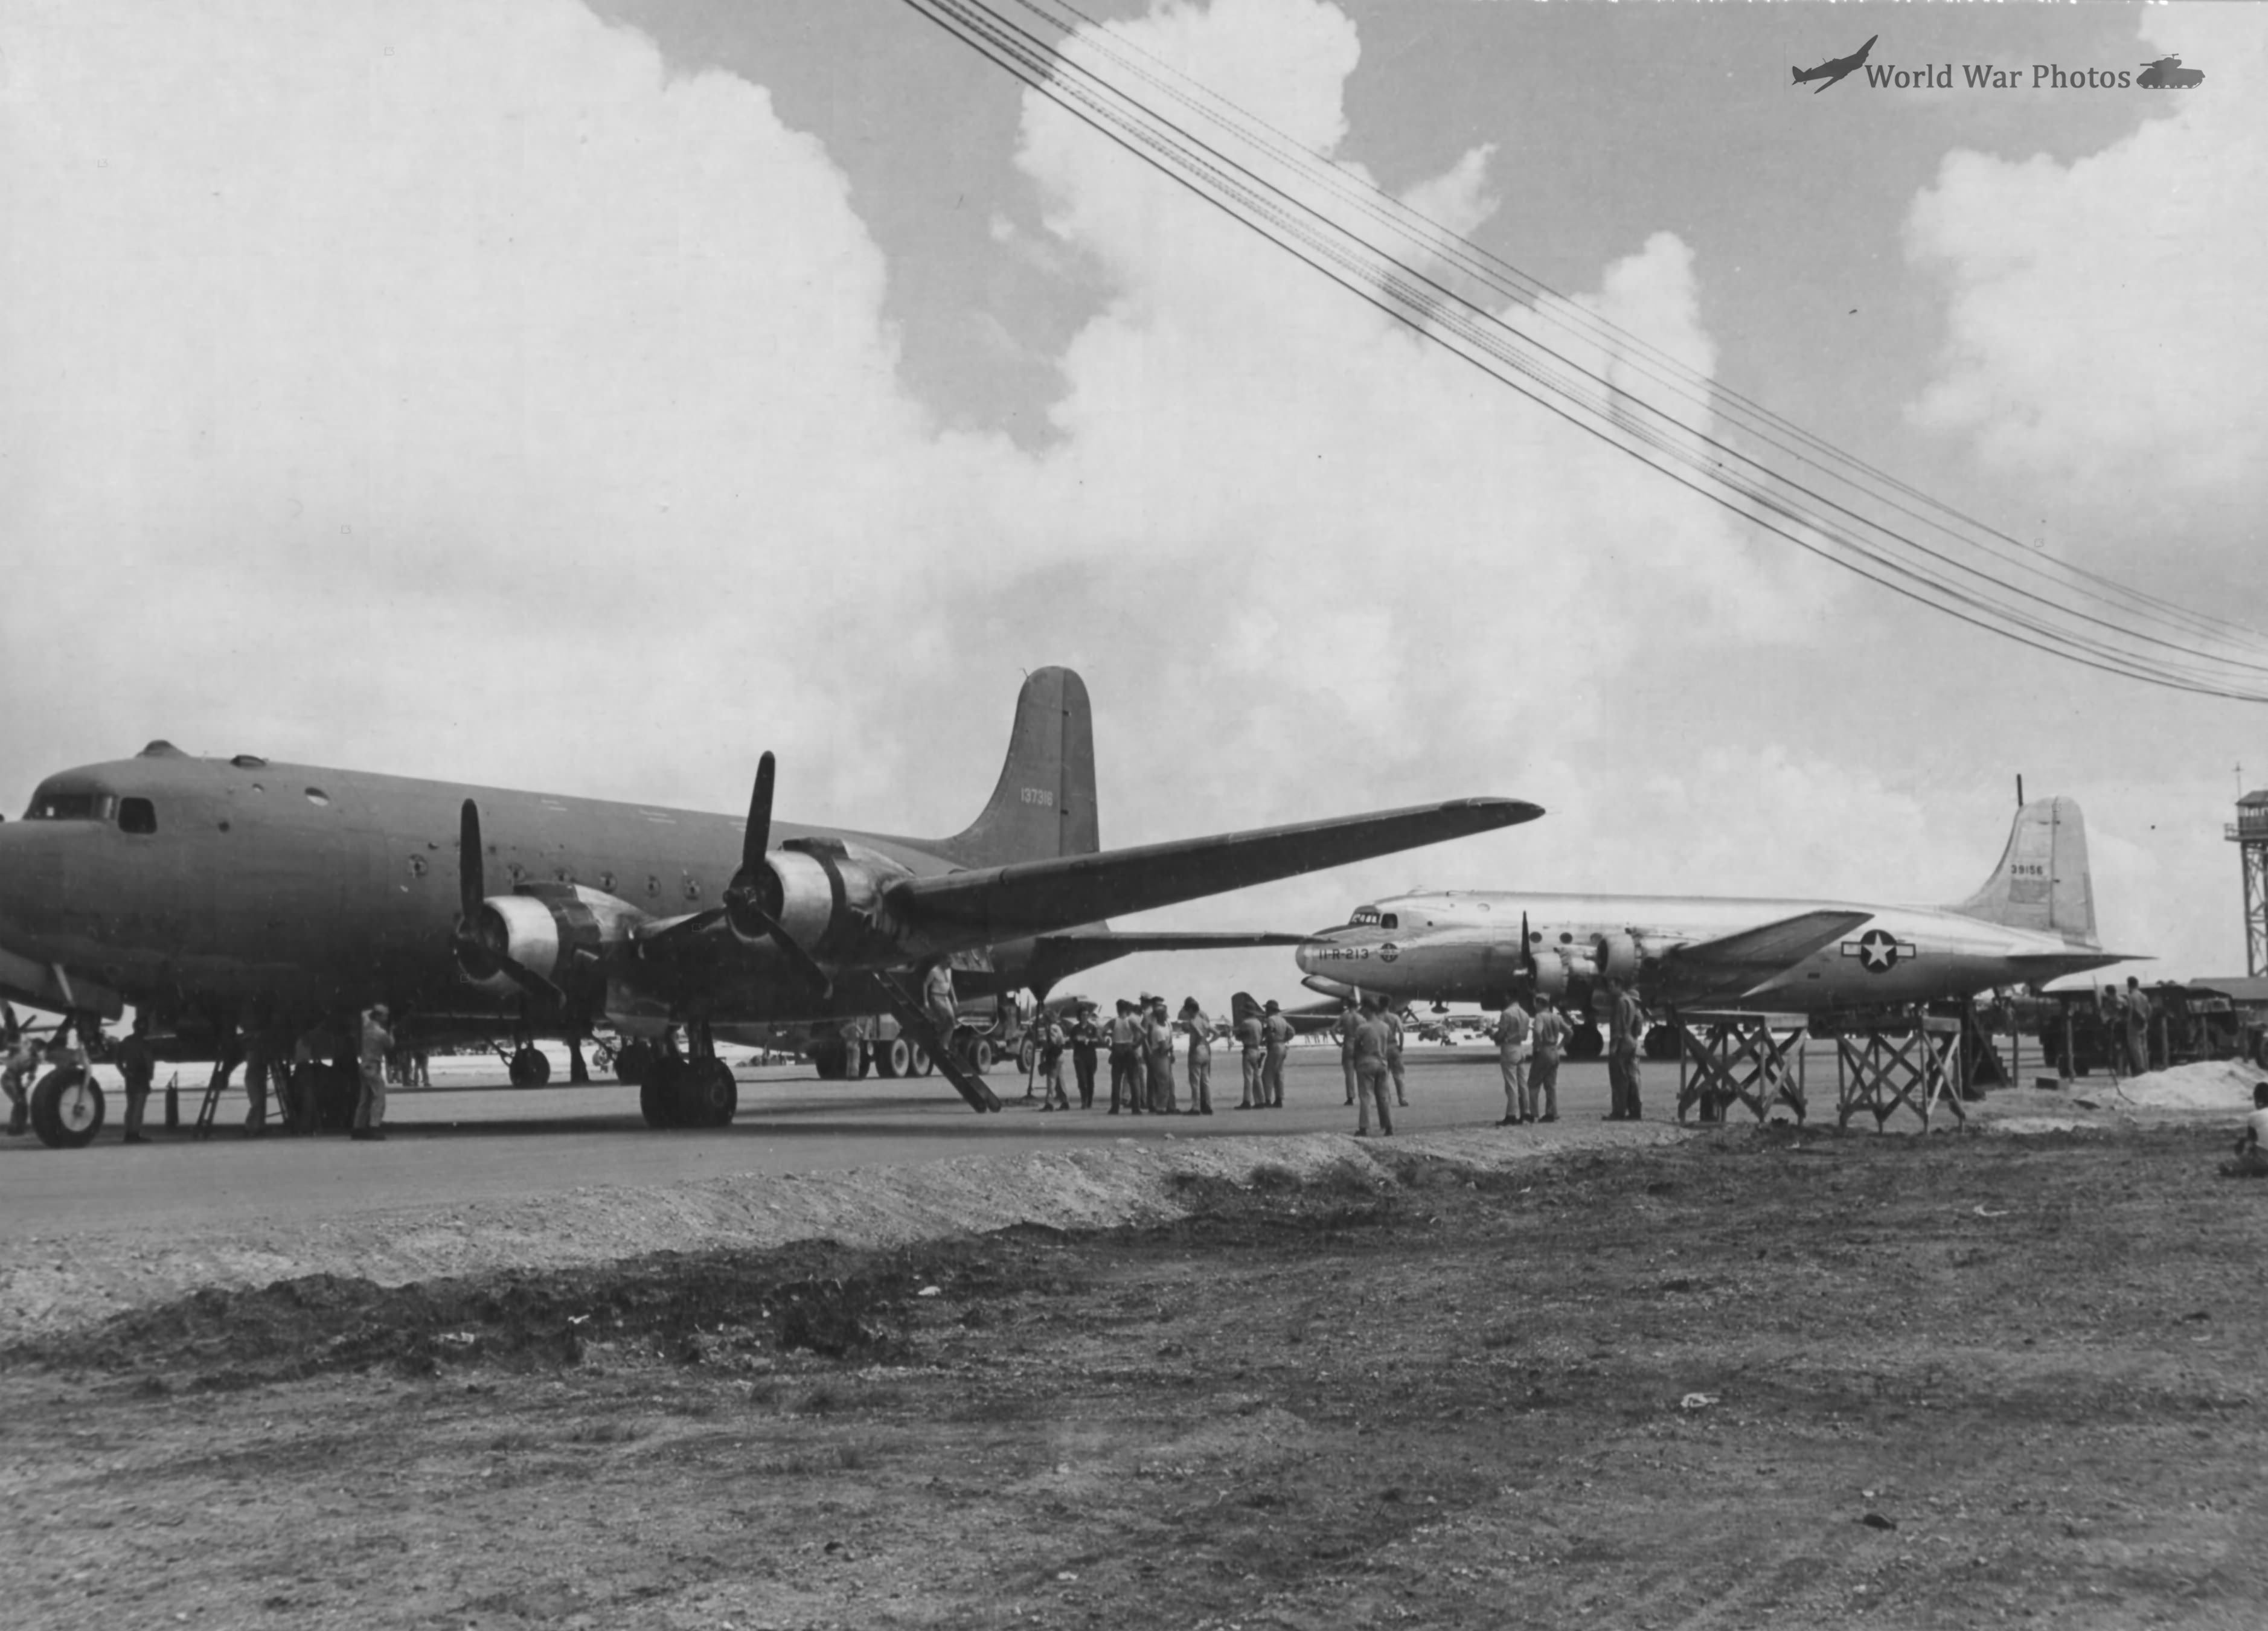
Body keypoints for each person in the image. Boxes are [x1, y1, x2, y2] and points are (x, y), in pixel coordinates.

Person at [1350, 997, 1393, 1136]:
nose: (1362, 1011)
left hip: (1366, 1063)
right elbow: (1388, 1045)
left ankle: (1364, 1128)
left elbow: (1356, 1048)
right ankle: (1388, 1127)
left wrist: (1356, 1063)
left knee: (1366, 1096)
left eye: (1363, 1008)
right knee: (1384, 1096)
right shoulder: (1385, 1027)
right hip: (1382, 1063)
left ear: (1368, 1010)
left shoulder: (1362, 1028)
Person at [1605, 981, 1645, 1121]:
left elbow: (1619, 1026)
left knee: (1619, 1079)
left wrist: (1614, 1046)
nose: (1610, 989)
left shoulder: (1621, 1002)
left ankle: (1619, 1112)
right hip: (1631, 1042)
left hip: (1622, 1044)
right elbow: (1637, 1028)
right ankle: (1635, 1111)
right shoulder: (1632, 1004)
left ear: (1619, 986)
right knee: (1631, 1078)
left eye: (1612, 986)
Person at [352, 1002, 392, 1141]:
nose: (386, 1018)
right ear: (379, 1017)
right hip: (373, 1066)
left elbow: (365, 1013)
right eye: (385, 1016)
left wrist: (375, 1010)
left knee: (364, 1099)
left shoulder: (366, 1025)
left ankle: (357, 1129)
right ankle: (374, 1127)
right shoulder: (380, 1033)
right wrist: (392, 1031)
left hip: (364, 1065)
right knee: (379, 1097)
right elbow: (390, 1044)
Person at [116, 1014, 158, 1143]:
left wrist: (124, 1072)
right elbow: (149, 1061)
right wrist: (150, 1075)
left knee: (130, 1106)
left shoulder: (127, 1041)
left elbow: (118, 1059)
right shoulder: (144, 1044)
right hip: (141, 1077)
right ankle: (134, 1134)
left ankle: (129, 1133)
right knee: (138, 1107)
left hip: (130, 1076)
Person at [1530, 995, 1569, 1123]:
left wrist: (1537, 1047)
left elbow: (1537, 1031)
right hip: (1554, 1051)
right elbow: (1569, 1032)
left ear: (1539, 1003)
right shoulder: (1556, 1017)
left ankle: (1533, 1114)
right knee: (1551, 1085)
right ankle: (1552, 1113)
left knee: (1533, 1084)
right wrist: (1560, 1046)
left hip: (1544, 1051)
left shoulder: (1540, 1017)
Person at [1494, 999, 1533, 1124]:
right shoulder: (1525, 1014)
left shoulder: (1507, 1013)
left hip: (1509, 1049)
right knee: (1523, 1084)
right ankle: (1526, 1112)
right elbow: (1525, 1036)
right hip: (1520, 1048)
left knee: (1511, 1085)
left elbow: (1501, 1034)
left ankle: (1511, 1114)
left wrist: (1494, 1036)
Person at [4, 1030, 46, 1137]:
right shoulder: (24, 1053)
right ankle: (14, 1127)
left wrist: (25, 1087)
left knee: (21, 1104)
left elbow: (31, 1077)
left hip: (15, 1080)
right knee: (19, 1102)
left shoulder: (33, 1061)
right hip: (9, 1078)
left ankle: (18, 1127)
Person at [1107, 999, 1143, 1114]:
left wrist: (1107, 1045)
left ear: (1118, 1009)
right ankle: (1136, 1108)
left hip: (1117, 1049)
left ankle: (1115, 1107)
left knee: (1116, 1080)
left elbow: (1100, 1032)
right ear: (1127, 1009)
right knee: (1134, 1080)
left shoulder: (1113, 1021)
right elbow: (1144, 1033)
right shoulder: (1131, 1021)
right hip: (1129, 1048)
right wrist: (1136, 1045)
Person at [2225, 1081, 2268, 1177]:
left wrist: (2240, 1147)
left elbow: (2251, 1140)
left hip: (2264, 1160)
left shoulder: (2254, 1116)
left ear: (2259, 1101)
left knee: (2225, 1165)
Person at [1180, 998, 1213, 1115]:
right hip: (1206, 1050)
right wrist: (1209, 1042)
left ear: (1190, 1009)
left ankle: (1196, 1107)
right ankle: (1208, 1105)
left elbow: (1199, 1034)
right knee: (1206, 1081)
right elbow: (1217, 1033)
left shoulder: (1193, 1021)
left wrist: (1194, 1046)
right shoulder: (1203, 1020)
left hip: (1197, 1051)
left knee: (1195, 1082)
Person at [1145, 997, 1178, 1114]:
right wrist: (1170, 1047)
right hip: (1160, 1056)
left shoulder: (1167, 1025)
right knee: (1163, 1082)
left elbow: (1169, 1040)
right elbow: (1163, 1047)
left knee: (1169, 1082)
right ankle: (1161, 1107)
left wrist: (1171, 1051)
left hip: (1165, 1056)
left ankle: (1170, 1106)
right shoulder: (1157, 1029)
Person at [1262, 999, 1293, 1107]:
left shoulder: (1270, 1020)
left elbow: (1270, 1032)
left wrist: (1268, 1040)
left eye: (1267, 1009)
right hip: (1282, 1046)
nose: (1266, 1011)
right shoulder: (1283, 1020)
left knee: (1267, 1074)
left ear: (1270, 1010)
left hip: (1274, 1047)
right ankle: (1279, 1099)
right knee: (1279, 1073)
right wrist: (1284, 1039)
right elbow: (1292, 1032)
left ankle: (1267, 1099)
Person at [1035, 1014, 1069, 1110]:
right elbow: (1062, 1042)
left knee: (1051, 1080)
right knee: (1060, 1081)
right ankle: (1065, 1102)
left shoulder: (1052, 1028)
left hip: (1054, 1056)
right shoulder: (1058, 1027)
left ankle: (1049, 1104)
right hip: (1060, 1055)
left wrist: (1045, 1049)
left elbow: (1052, 1043)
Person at [1235, 1002, 1265, 1108]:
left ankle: (1247, 1101)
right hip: (1257, 1050)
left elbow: (1238, 1036)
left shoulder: (1245, 1023)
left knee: (1248, 1077)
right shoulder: (1258, 1023)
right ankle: (1260, 1101)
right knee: (1257, 1077)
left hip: (1248, 1050)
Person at [1069, 1009, 1100, 1110]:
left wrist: (1088, 1040)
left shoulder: (1092, 1027)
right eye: (1083, 1015)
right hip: (1079, 1056)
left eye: (1087, 1015)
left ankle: (1090, 1101)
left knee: (1090, 1079)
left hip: (1090, 1056)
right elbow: (1072, 1040)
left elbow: (1097, 1039)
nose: (1085, 1017)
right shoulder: (1075, 1029)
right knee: (1082, 1079)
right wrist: (1078, 1040)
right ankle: (1084, 1100)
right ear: (1079, 1016)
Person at [2124, 977, 2153, 1076]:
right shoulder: (2144, 996)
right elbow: (2149, 1009)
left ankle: (2140, 1067)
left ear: (2129, 985)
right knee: (2144, 1046)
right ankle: (2146, 1066)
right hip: (2143, 1022)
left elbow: (2130, 1010)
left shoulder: (2131, 996)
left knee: (2135, 1046)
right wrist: (2146, 1019)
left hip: (2134, 1023)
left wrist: (2128, 1022)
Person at [1382, 1005, 1408, 1107]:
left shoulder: (1378, 1018)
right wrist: (1401, 1046)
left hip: (1382, 1048)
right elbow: (1401, 1031)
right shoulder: (1395, 1017)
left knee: (1383, 1077)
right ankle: (1402, 1099)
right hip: (1394, 1047)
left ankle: (1387, 1099)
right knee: (1399, 1075)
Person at [1334, 1001, 1359, 1106]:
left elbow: (1332, 1029)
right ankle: (1364, 1094)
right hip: (1359, 1046)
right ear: (1357, 1007)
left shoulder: (1344, 1017)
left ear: (1348, 1006)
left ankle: (1350, 1097)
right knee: (1362, 1074)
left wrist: (1338, 1042)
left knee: (1349, 1074)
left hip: (1348, 1045)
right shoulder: (1361, 1018)